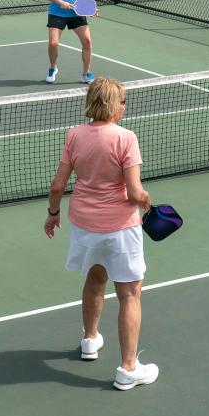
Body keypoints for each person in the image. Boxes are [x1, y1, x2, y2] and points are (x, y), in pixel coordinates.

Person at [44, 77, 157, 390]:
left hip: (84, 224)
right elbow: (134, 193)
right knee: (130, 293)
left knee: (95, 279)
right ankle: (128, 369)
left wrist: (53, 215)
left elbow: (57, 186)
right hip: (119, 227)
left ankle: (90, 340)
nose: (124, 107)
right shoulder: (126, 138)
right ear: (112, 106)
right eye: (122, 102)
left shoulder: (74, 135)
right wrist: (149, 203)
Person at [42, 0, 94, 85]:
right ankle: (53, 68)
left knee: (87, 42)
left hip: (77, 13)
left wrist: (90, 8)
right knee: (53, 43)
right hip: (57, 13)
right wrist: (61, 2)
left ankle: (86, 74)